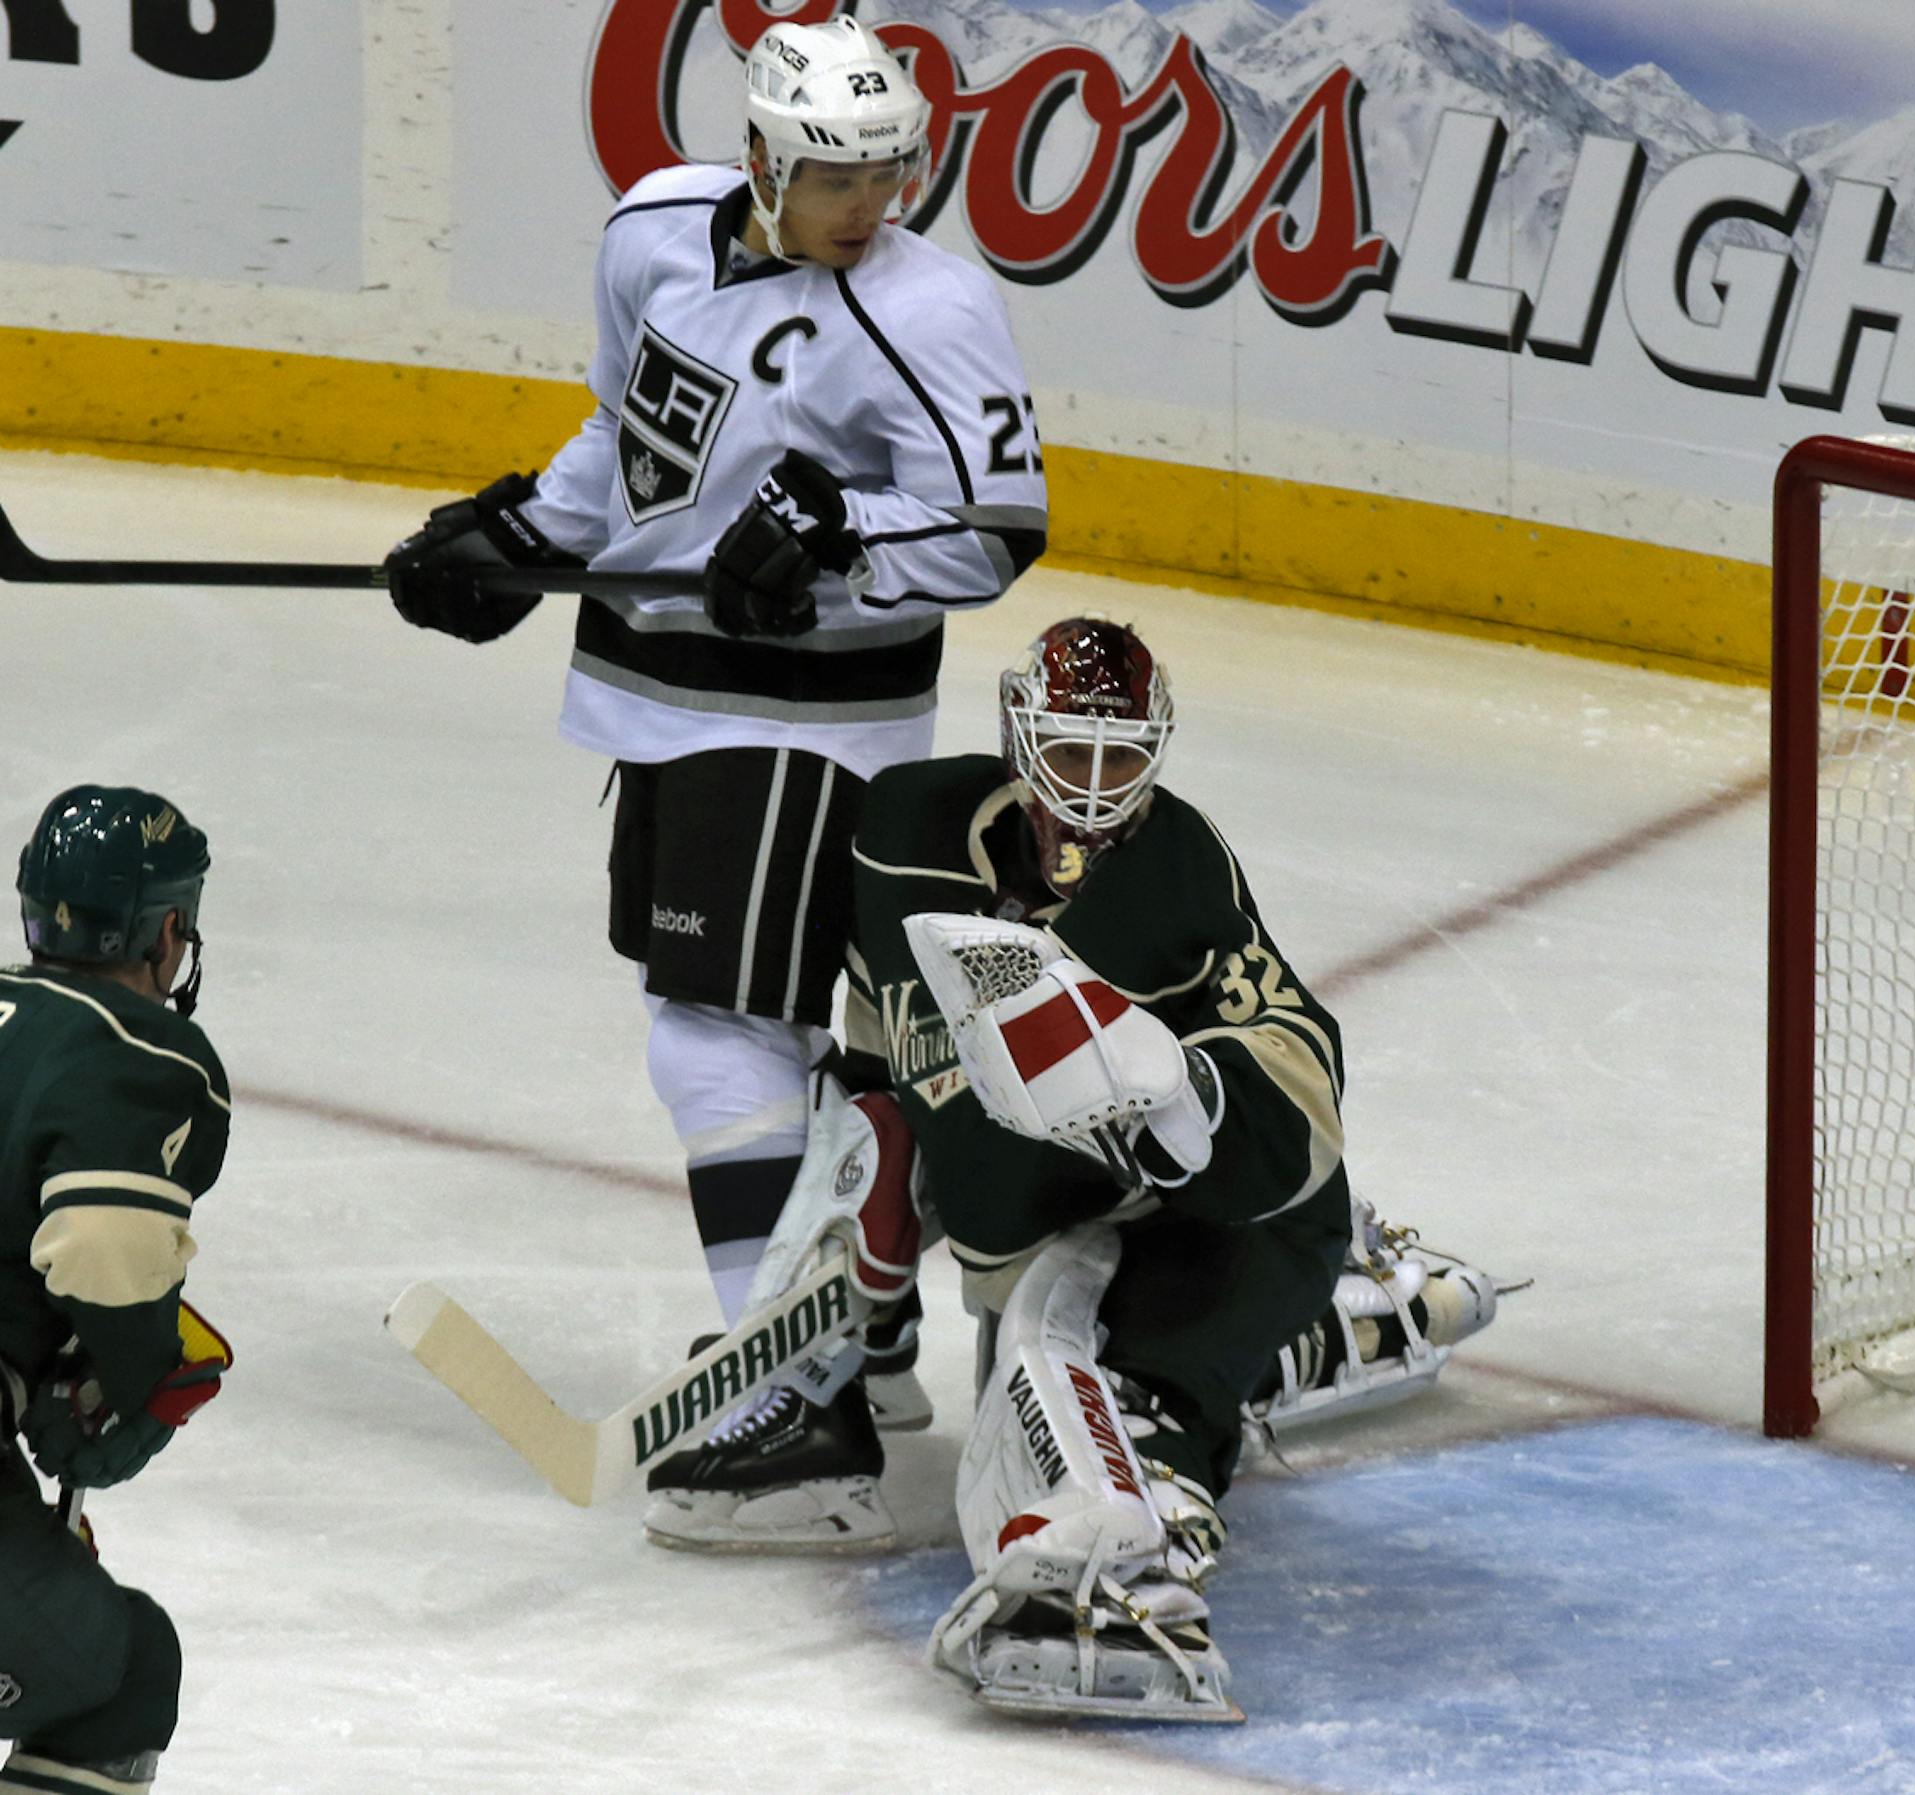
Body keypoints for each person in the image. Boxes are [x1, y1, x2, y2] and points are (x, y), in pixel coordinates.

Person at [380, 15, 1049, 1502]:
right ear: (759, 158)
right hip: (661, 692)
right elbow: (634, 433)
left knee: (716, 1030)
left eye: (891, 170)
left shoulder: (930, 310)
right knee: (766, 1036)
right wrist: (527, 535)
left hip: (802, 718)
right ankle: (853, 1327)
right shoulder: (652, 229)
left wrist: (838, 551)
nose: (871, 204)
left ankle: (796, 1386)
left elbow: (996, 526)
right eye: (836, 177)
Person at [652, 617, 1498, 1719]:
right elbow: (881, 1048)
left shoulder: (1177, 872)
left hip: (1187, 1222)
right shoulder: (907, 831)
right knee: (892, 1174)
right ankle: (825, 1401)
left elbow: (1302, 1071)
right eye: (1071, 754)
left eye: (1121, 759)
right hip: (1036, 1220)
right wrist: (867, 1285)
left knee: (1110, 1395)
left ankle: (1160, 1514)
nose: (1094, 793)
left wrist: (1186, 1102)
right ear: (1019, 733)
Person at [2, 787, 234, 1794]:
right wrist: (137, 1369)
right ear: (168, 930)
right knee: (118, 1675)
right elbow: (102, 1244)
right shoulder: (134, 1054)